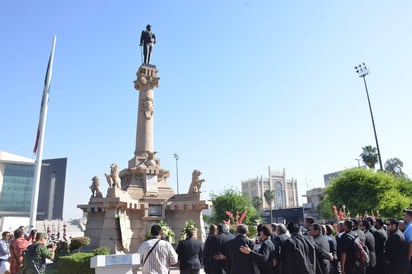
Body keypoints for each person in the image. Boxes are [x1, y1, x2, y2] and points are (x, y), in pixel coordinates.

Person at [404, 209, 412, 273]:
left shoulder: (410, 226)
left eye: (405, 216)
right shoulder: (409, 226)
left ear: (409, 217)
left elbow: (411, 243)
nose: (404, 217)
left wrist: (409, 257)